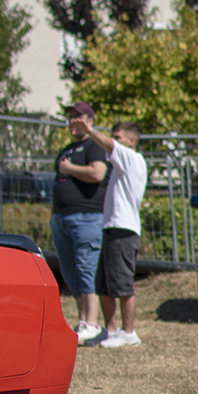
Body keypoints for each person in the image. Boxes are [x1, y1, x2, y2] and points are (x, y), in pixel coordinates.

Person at [77, 116, 147, 348]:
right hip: (111, 228)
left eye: (118, 137)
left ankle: (128, 333)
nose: (113, 142)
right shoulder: (121, 163)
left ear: (132, 141)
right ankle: (110, 331)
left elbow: (107, 144)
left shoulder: (132, 158)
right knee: (104, 284)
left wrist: (89, 130)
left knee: (122, 284)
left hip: (124, 230)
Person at [51, 102, 109, 343]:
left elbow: (97, 173)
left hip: (86, 217)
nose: (73, 121)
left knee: (86, 267)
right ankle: (83, 319)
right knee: (69, 270)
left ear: (90, 120)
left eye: (78, 117)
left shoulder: (94, 146)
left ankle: (93, 322)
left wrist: (68, 168)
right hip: (61, 218)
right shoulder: (66, 149)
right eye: (70, 117)